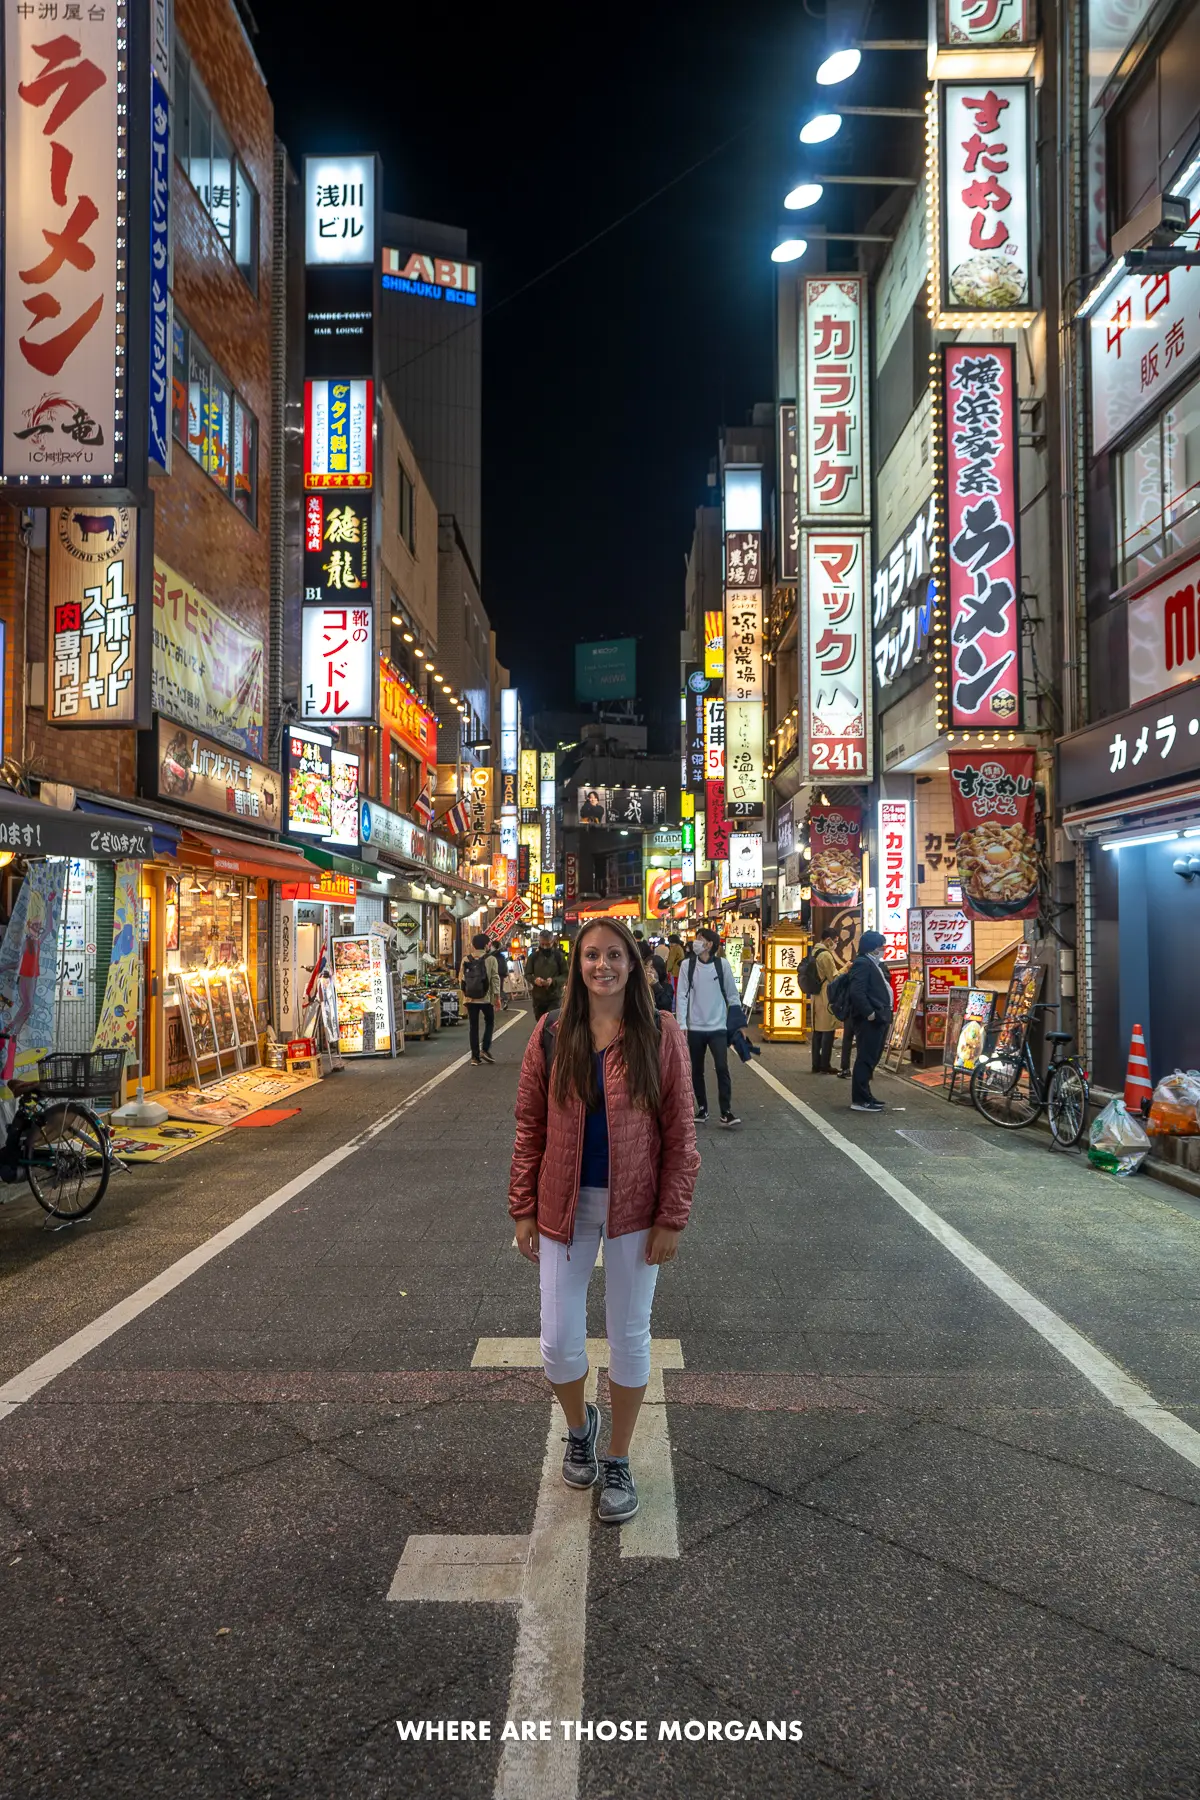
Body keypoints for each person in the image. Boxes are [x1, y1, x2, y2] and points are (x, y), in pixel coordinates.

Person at [510, 917, 700, 1523]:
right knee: (558, 1343)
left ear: (633, 964)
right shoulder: (551, 1033)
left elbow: (682, 1133)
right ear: (578, 965)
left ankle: (617, 1456)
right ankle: (580, 1425)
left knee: (629, 1339)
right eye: (592, 955)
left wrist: (672, 1215)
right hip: (562, 1204)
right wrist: (522, 1207)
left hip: (636, 1208)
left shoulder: (661, 1034)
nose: (602, 966)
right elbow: (528, 1127)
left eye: (614, 954)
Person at [675, 926, 742, 1126]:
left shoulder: (722, 965)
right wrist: (681, 1024)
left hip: (718, 1027)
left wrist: (736, 1021)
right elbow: (682, 994)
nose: (695, 941)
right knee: (697, 1070)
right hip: (695, 1027)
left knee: (722, 1067)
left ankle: (726, 1111)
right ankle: (702, 1108)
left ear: (709, 944)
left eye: (700, 939)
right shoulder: (688, 965)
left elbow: (732, 994)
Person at [844, 930, 894, 1113]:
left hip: (878, 1017)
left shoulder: (872, 963)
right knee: (865, 1058)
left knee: (871, 1057)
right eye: (881, 946)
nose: (883, 949)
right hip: (869, 1020)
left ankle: (866, 1096)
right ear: (872, 948)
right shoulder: (863, 964)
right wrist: (870, 1013)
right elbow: (857, 992)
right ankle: (860, 1099)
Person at [460, 932, 500, 1065]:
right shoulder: (491, 959)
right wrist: (497, 997)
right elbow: (495, 979)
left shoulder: (466, 959)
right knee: (489, 1022)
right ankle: (485, 1049)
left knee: (473, 1027)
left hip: (471, 999)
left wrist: (465, 997)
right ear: (486, 945)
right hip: (486, 998)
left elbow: (462, 979)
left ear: (473, 945)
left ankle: (474, 1057)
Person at [809, 929, 842, 1074]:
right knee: (828, 1030)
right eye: (835, 941)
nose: (835, 944)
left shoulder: (814, 951)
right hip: (825, 995)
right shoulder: (826, 955)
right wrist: (845, 969)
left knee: (817, 1031)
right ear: (828, 939)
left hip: (815, 995)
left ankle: (816, 1063)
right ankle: (825, 1064)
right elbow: (833, 978)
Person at [526, 929, 568, 1021]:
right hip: (538, 998)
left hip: (555, 997)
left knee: (552, 1023)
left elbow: (566, 974)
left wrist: (553, 981)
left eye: (547, 944)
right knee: (540, 1024)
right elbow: (527, 974)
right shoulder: (533, 957)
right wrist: (534, 980)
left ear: (552, 942)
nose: (545, 947)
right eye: (542, 944)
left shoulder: (559, 956)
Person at [490, 939, 510, 1011]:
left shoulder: (492, 955)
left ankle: (503, 1000)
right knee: (499, 988)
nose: (490, 947)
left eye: (491, 946)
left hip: (496, 974)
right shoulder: (501, 955)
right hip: (501, 974)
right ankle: (502, 1001)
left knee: (496, 989)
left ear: (493, 946)